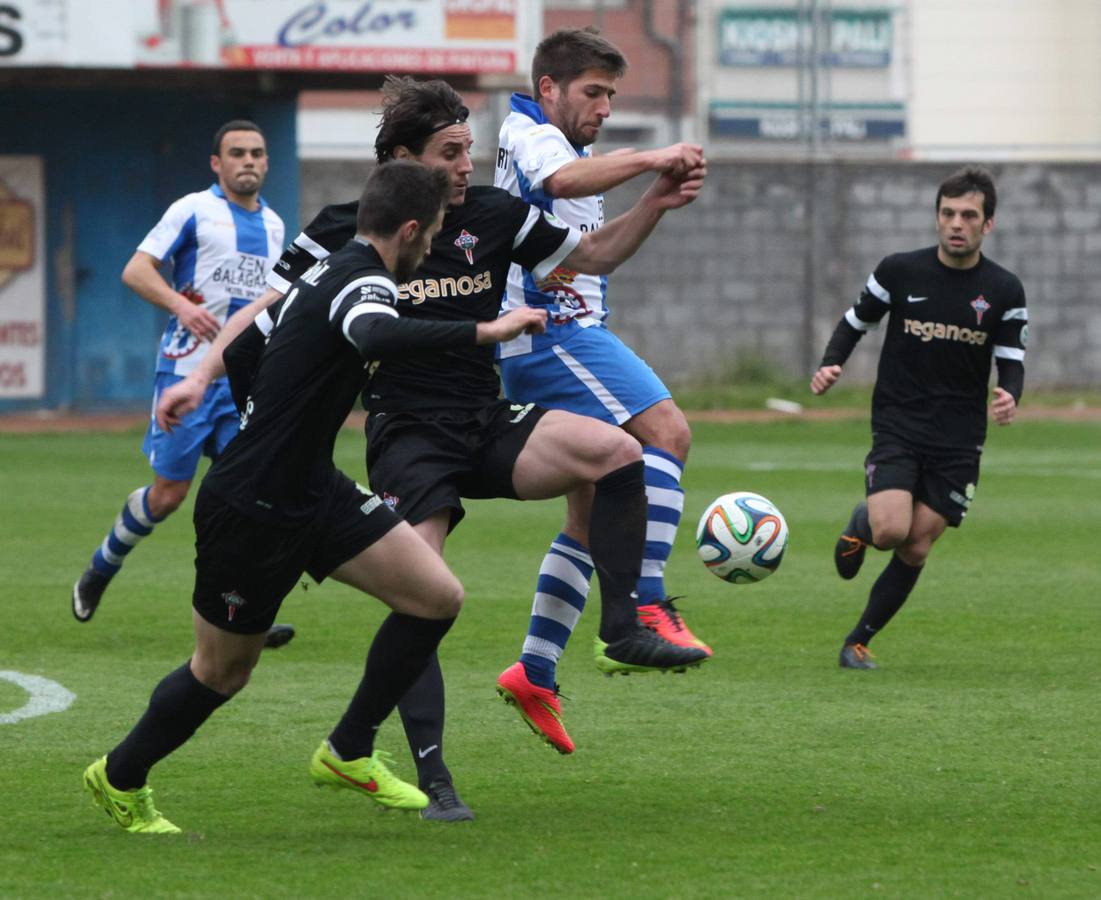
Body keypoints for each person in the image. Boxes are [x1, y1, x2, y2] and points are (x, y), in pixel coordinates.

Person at [198, 75, 708, 821]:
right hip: (407, 433)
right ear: (403, 159)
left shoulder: (497, 215)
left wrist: (654, 205)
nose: (469, 164)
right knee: (425, 591)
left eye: (470, 148)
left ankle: (622, 626)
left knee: (616, 454)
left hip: (483, 418)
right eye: (451, 152)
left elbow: (590, 257)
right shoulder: (348, 227)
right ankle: (432, 778)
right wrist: (206, 376)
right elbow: (270, 312)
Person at [82, 160, 549, 835]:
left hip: (312, 488)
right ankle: (119, 778)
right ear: (411, 229)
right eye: (434, 234)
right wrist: (486, 331)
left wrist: (248, 410)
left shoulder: (327, 271)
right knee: (221, 672)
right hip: (251, 507)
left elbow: (246, 346)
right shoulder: (363, 281)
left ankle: (348, 749)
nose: (433, 248)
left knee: (435, 598)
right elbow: (373, 333)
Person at [492, 27, 711, 755]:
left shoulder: (574, 156)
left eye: (612, 95)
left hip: (571, 331)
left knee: (590, 515)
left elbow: (596, 254)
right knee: (666, 433)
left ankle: (535, 668)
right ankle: (641, 610)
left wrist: (652, 200)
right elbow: (558, 184)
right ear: (549, 87)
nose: (605, 108)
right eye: (594, 93)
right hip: (550, 336)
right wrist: (655, 156)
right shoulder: (527, 134)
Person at [70, 120, 294, 649]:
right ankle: (100, 568)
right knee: (170, 494)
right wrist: (180, 306)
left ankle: (238, 613)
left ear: (267, 162)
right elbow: (135, 269)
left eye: (257, 153)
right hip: (184, 374)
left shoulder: (277, 226)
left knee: (251, 498)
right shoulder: (193, 209)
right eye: (237, 153)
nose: (249, 161)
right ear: (216, 163)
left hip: (241, 384)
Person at [810, 166, 1028, 670]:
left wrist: (1010, 395)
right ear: (937, 216)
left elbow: (1011, 359)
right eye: (948, 213)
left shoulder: (1004, 289)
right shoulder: (899, 271)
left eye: (968, 215)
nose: (956, 223)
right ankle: (863, 522)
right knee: (890, 531)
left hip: (959, 436)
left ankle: (857, 642)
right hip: (899, 422)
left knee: (918, 543)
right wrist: (830, 362)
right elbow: (855, 320)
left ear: (987, 224)